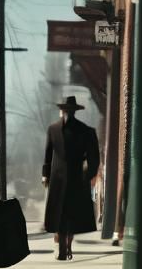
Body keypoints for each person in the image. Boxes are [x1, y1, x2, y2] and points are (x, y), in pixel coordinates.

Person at [42, 96, 100, 260]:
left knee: (72, 215)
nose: (67, 113)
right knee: (59, 215)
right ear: (63, 111)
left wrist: (88, 175)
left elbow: (93, 157)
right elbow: (48, 155)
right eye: (65, 110)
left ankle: (68, 246)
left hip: (76, 178)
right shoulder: (53, 130)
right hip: (58, 179)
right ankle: (61, 247)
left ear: (74, 111)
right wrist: (45, 175)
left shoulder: (86, 131)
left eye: (69, 110)